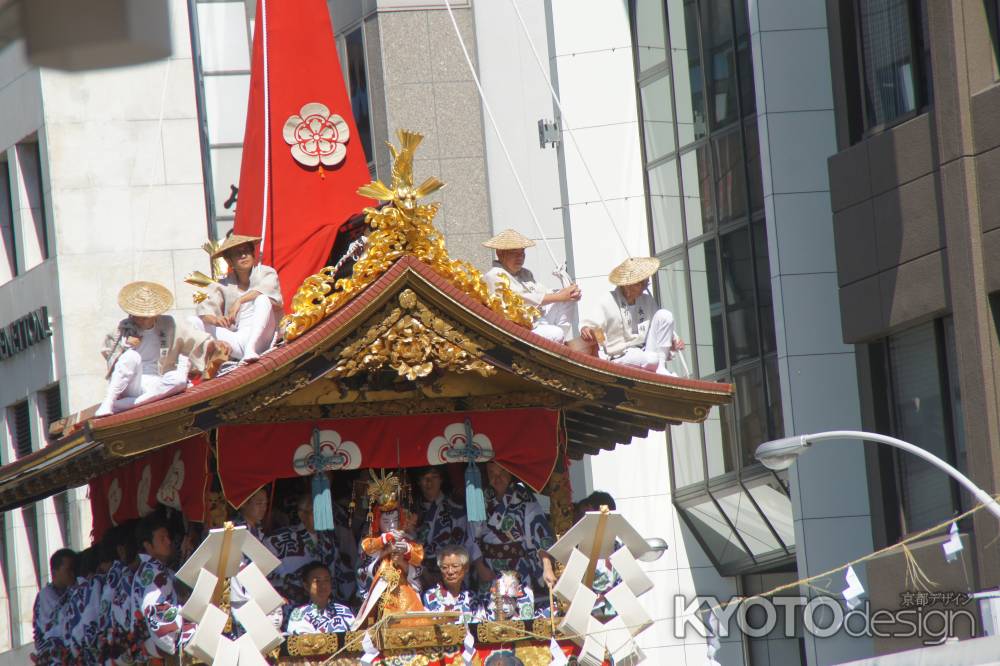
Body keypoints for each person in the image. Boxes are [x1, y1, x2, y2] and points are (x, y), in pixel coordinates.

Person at [97, 282, 191, 416]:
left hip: (156, 380)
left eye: (144, 317)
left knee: (179, 380)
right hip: (131, 381)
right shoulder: (123, 329)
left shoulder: (167, 325)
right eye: (137, 316)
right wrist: (125, 346)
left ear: (154, 315)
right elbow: (109, 354)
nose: (139, 320)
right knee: (131, 356)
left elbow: (189, 338)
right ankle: (109, 401)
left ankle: (126, 405)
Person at [579, 256, 685, 375]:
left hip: (647, 352)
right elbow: (595, 328)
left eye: (646, 282)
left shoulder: (647, 300)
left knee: (665, 315)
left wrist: (673, 339)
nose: (645, 287)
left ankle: (661, 367)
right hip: (621, 356)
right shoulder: (608, 301)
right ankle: (656, 366)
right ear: (627, 285)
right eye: (641, 283)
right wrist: (597, 338)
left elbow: (660, 326)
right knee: (650, 359)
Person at [189, 234, 282, 362]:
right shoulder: (223, 285)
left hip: (265, 336)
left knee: (262, 299)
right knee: (193, 321)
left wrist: (240, 301)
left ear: (253, 254)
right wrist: (216, 320)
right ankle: (189, 366)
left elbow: (268, 292)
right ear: (229, 261)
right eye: (238, 254)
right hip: (237, 340)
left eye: (246, 251)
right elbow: (204, 311)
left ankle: (251, 348)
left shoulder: (266, 272)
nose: (243, 256)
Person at [473, 463, 556, 597]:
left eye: (502, 473)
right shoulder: (481, 498)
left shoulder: (524, 497)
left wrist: (547, 567)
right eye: (492, 473)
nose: (497, 478)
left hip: (518, 566)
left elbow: (539, 533)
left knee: (521, 606)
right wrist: (479, 566)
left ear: (510, 473)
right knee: (491, 607)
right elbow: (472, 536)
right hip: (489, 567)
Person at [482, 229, 581, 343]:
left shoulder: (525, 273)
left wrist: (568, 293)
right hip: (518, 330)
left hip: (537, 321)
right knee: (556, 332)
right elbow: (520, 300)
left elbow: (543, 291)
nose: (520, 257)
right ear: (500, 254)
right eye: (514, 253)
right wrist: (559, 296)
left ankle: (558, 341)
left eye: (522, 253)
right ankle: (557, 339)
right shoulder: (494, 275)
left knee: (569, 299)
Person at [356, 471, 425, 622]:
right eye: (386, 522)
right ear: (377, 522)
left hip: (404, 588)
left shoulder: (407, 539)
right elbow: (363, 566)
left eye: (395, 520)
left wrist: (405, 553)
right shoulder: (370, 542)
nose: (391, 525)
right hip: (380, 587)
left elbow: (418, 560)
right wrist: (386, 547)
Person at [130, 516, 195, 659]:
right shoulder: (150, 573)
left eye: (168, 537)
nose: (168, 541)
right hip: (165, 649)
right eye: (162, 538)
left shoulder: (156, 569)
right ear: (148, 545)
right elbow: (154, 610)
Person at [266, 494, 344, 607]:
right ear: (302, 514)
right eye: (316, 512)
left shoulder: (329, 539)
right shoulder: (278, 539)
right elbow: (265, 574)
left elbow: (337, 572)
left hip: (324, 605)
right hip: (289, 604)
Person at [413, 466, 480, 589]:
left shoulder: (455, 508)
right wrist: (422, 571)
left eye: (434, 477)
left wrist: (446, 572)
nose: (429, 482)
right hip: (419, 574)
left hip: (450, 573)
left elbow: (463, 546)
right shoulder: (413, 509)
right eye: (425, 478)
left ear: (441, 480)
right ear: (419, 481)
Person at [285, 561, 356, 634]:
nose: (323, 585)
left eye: (326, 580)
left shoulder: (344, 610)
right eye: (317, 581)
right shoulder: (299, 613)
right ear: (306, 586)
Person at [31, 548, 76, 661]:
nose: (73, 573)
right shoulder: (45, 596)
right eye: (68, 570)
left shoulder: (74, 590)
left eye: (74, 569)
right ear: (54, 572)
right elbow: (55, 626)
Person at [420, 545, 479, 623]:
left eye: (455, 566)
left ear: (466, 568)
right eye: (445, 567)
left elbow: (481, 625)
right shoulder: (428, 597)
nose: (450, 572)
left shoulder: (472, 597)